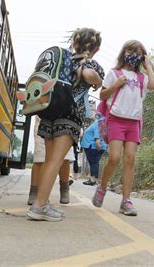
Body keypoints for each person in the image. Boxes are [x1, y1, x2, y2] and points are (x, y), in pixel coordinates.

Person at [27, 27, 105, 221]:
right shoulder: (90, 64)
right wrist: (97, 79)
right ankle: (40, 206)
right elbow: (89, 76)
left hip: (48, 114)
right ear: (95, 49)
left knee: (49, 161)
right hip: (69, 117)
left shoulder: (62, 61)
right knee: (56, 160)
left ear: (74, 43)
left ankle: (41, 202)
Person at [92, 39, 154, 216]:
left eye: (138, 52)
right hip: (116, 119)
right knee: (114, 157)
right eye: (130, 51)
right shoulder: (115, 73)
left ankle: (126, 200)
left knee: (130, 159)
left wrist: (148, 66)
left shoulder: (142, 78)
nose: (133, 55)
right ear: (124, 53)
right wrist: (116, 85)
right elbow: (102, 94)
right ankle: (102, 187)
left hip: (134, 121)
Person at [27, 116, 74, 205]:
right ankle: (34, 191)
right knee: (40, 158)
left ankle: (64, 188)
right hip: (44, 117)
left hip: (66, 119)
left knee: (65, 158)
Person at [81, 117, 107, 186]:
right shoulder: (101, 122)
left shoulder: (99, 122)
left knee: (93, 163)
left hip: (93, 146)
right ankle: (94, 179)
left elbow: (97, 132)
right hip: (94, 145)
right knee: (95, 163)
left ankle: (92, 180)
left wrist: (97, 142)